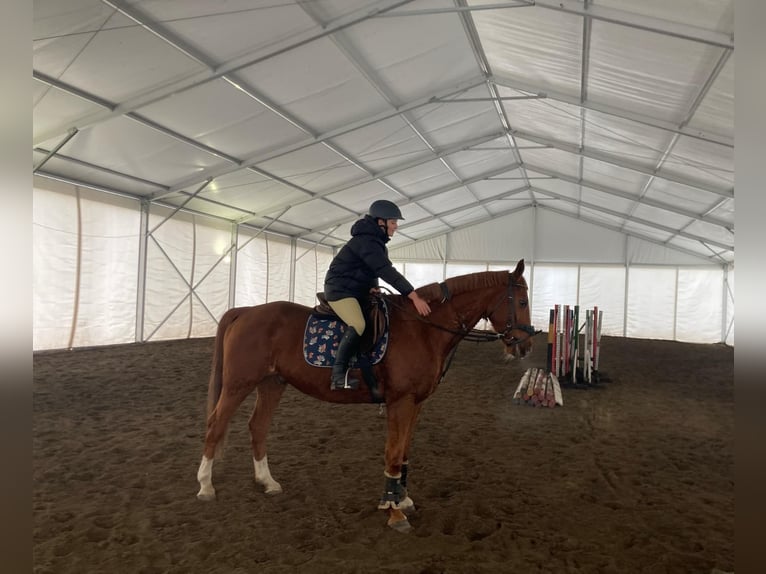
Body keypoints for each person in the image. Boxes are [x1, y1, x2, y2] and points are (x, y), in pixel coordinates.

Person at [324, 199, 431, 390]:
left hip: (356, 290)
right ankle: (338, 374)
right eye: (393, 222)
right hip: (340, 290)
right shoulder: (367, 241)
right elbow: (385, 270)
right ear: (380, 222)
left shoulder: (376, 242)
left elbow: (371, 270)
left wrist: (372, 287)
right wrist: (412, 295)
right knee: (358, 323)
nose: (396, 227)